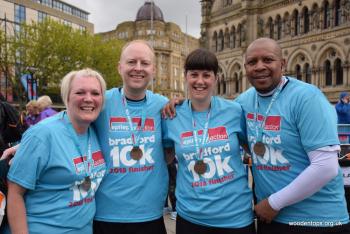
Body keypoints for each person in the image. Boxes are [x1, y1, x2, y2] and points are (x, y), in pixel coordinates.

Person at [235, 38, 349, 234]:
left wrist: (273, 203)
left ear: (283, 63)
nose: (260, 66)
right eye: (252, 62)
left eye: (268, 60)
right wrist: (176, 106)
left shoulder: (308, 98)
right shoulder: (243, 101)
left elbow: (326, 167)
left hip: (318, 221)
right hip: (271, 219)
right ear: (245, 67)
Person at [163, 48, 254, 234]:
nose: (200, 81)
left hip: (235, 218)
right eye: (194, 74)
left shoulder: (235, 111)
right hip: (190, 218)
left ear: (216, 78)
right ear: (185, 76)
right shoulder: (172, 116)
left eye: (206, 75)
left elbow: (254, 153)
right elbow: (165, 157)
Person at [5, 68, 107, 233]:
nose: (88, 99)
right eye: (80, 92)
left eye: (95, 93)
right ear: (66, 97)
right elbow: (15, 193)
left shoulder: (95, 129)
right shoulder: (42, 134)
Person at [92, 40, 169, 234]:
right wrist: (27, 145)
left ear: (154, 69)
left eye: (144, 63)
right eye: (131, 62)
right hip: (105, 215)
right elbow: (69, 122)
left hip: (150, 215)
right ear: (120, 67)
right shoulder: (101, 101)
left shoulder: (164, 106)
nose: (138, 68)